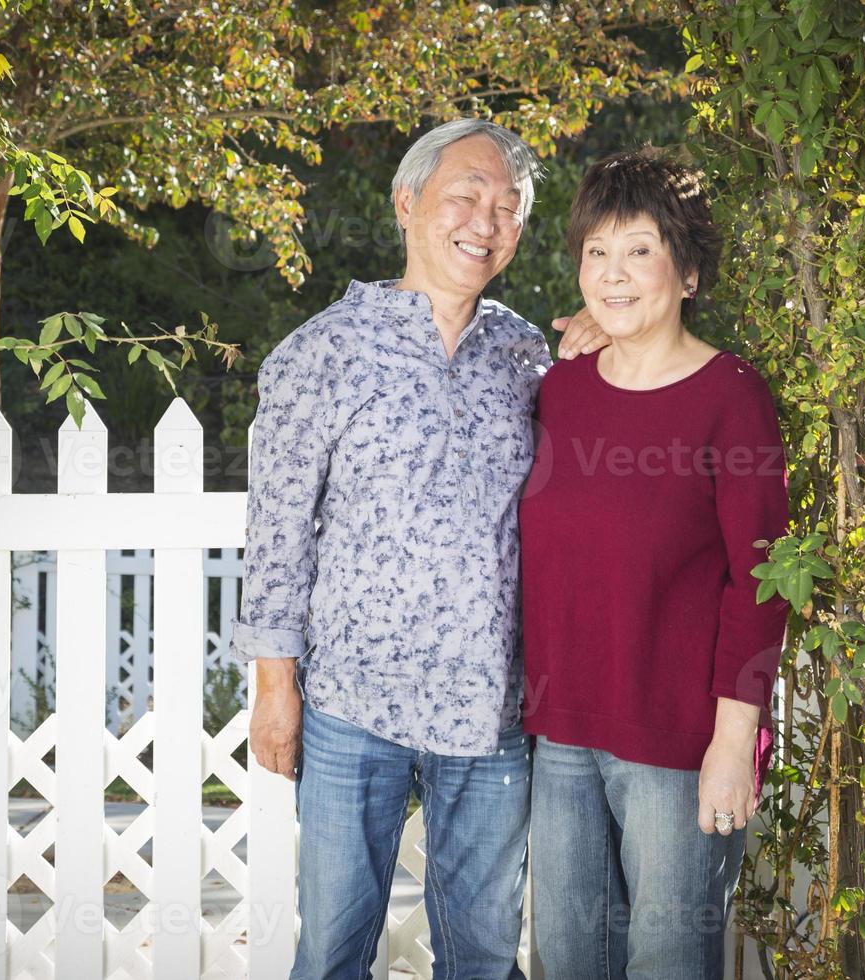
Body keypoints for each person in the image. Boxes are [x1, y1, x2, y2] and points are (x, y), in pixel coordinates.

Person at [231, 118, 604, 979]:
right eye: (466, 195)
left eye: (509, 208)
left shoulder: (524, 354)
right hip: (351, 705)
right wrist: (275, 691)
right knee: (331, 952)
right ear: (407, 203)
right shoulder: (322, 351)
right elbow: (278, 536)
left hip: (490, 711)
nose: (487, 220)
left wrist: (611, 328)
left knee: (481, 956)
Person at [519, 148, 790, 980]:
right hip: (561, 738)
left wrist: (733, 742)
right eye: (597, 252)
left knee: (668, 966)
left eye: (639, 249)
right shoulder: (560, 391)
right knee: (568, 965)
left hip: (679, 747)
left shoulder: (732, 397)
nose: (614, 273)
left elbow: (762, 584)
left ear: (690, 270)